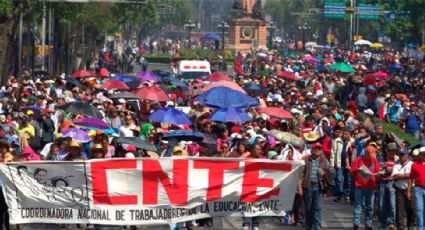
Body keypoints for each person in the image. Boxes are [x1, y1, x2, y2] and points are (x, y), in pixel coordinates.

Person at [298, 142, 328, 230]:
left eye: (319, 149)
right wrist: (299, 187)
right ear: (312, 150)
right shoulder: (306, 160)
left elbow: (330, 174)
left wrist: (325, 174)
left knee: (318, 207)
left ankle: (317, 225)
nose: (317, 150)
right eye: (315, 148)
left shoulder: (325, 161)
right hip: (307, 187)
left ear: (321, 150)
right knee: (308, 207)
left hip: (319, 187)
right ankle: (308, 225)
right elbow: (301, 174)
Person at [350, 145, 381, 230]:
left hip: (370, 186)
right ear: (366, 154)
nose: (370, 158)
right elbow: (352, 172)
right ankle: (356, 223)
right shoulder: (358, 159)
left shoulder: (375, 161)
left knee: (369, 206)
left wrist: (379, 174)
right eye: (369, 156)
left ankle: (368, 223)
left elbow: (378, 171)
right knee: (358, 205)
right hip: (359, 186)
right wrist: (356, 170)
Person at [391, 148, 415, 230]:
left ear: (407, 155)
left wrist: (400, 175)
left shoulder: (412, 164)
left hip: (410, 188)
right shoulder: (396, 165)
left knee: (411, 207)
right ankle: (400, 226)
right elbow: (394, 176)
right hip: (399, 189)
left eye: (402, 155)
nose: (401, 156)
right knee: (399, 208)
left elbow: (412, 175)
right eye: (400, 154)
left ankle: (410, 223)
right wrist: (407, 175)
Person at [379, 142, 397, 229]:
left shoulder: (397, 159)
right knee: (382, 203)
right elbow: (379, 169)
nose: (392, 153)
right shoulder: (382, 158)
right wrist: (386, 170)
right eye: (391, 151)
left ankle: (392, 222)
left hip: (392, 182)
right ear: (387, 151)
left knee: (392, 203)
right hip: (383, 182)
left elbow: (398, 170)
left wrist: (391, 169)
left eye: (394, 151)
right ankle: (383, 221)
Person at [408, 147, 425, 230]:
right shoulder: (414, 164)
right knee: (419, 209)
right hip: (418, 189)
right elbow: (411, 178)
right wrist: (408, 191)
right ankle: (420, 227)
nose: (423, 155)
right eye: (422, 154)